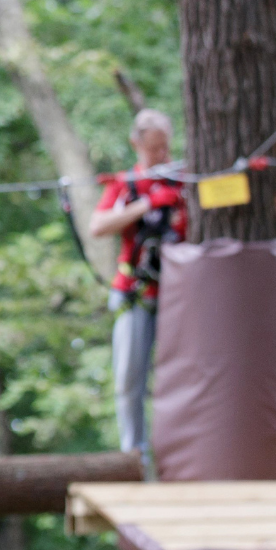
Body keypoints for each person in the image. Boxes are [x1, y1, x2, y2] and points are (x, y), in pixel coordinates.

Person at [88, 108, 186, 458]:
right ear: (136, 144)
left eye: (166, 148)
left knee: (183, 380)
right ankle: (135, 454)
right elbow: (97, 226)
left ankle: (180, 453)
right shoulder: (125, 185)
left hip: (182, 299)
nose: (162, 156)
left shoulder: (183, 180)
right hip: (137, 293)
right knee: (129, 378)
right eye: (154, 149)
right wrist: (146, 204)